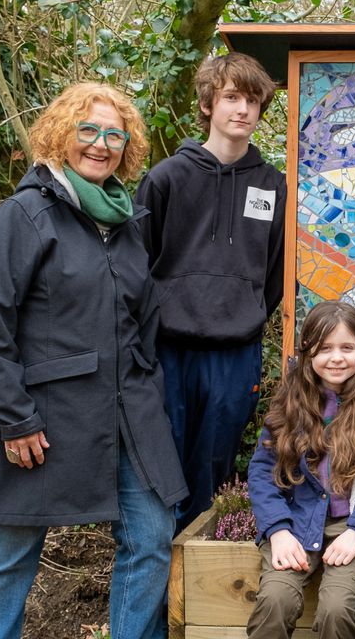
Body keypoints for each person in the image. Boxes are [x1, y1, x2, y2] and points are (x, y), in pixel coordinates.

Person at [0, 83, 188, 639]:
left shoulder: (127, 221)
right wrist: (14, 416)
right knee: (12, 548)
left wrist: (146, 386)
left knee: (152, 536)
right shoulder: (25, 215)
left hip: (131, 409)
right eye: (89, 131)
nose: (101, 145)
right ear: (62, 135)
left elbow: (142, 320)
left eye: (114, 134)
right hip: (44, 414)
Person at [134, 52, 286, 532]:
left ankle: (198, 589)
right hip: (170, 349)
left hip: (235, 351)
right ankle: (158, 591)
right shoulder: (165, 179)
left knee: (214, 469)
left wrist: (249, 312)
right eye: (231, 98)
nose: (242, 110)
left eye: (252, 100)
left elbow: (276, 271)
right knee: (162, 470)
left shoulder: (275, 186)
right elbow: (137, 265)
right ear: (208, 104)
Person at [246, 301, 355, 638]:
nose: (337, 357)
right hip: (296, 523)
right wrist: (277, 530)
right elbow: (263, 472)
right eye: (325, 349)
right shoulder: (291, 401)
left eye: (347, 348)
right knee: (275, 601)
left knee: (337, 609)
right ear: (308, 353)